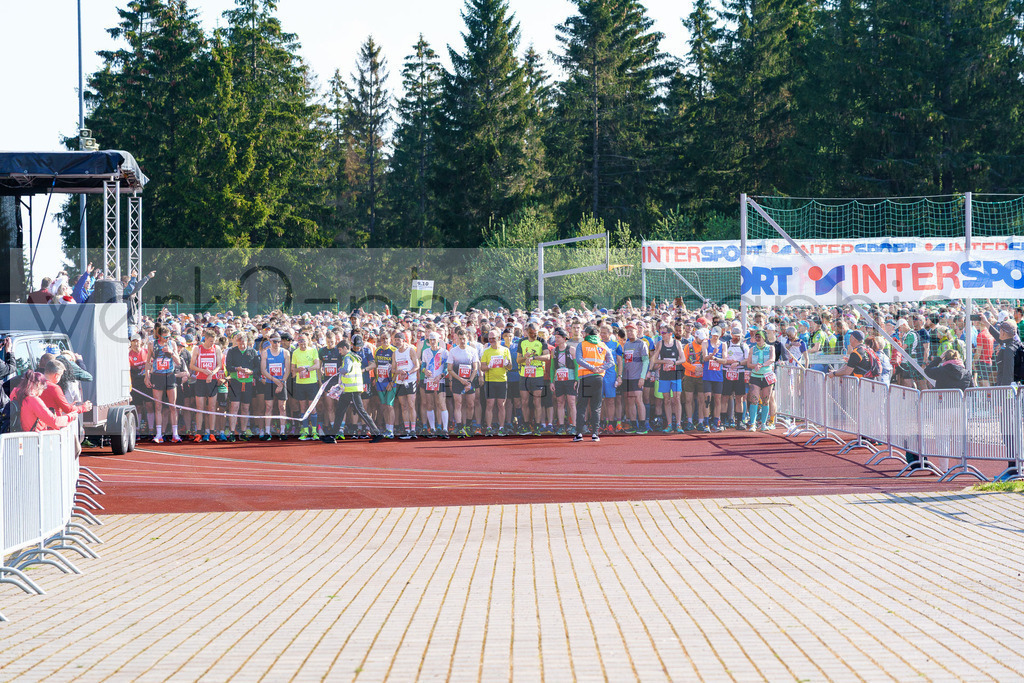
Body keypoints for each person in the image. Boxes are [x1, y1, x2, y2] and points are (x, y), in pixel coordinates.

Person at [333, 339, 385, 443]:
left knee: (361, 412)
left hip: (352, 390)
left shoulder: (348, 357)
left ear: (345, 348)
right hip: (349, 390)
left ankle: (377, 433)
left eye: (340, 350)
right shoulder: (354, 357)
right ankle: (332, 435)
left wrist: (340, 370)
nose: (339, 352)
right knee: (339, 412)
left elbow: (346, 370)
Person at [573, 324, 614, 442]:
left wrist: (591, 368)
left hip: (585, 377)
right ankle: (595, 434)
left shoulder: (582, 344)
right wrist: (600, 368)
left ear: (587, 334)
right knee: (596, 407)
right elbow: (611, 362)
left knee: (581, 406)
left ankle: (579, 434)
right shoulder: (603, 345)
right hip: (598, 378)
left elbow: (579, 359)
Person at [145, 326, 183, 443]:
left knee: (173, 406)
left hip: (169, 376)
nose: (167, 338)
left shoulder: (172, 344)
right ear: (159, 336)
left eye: (168, 336)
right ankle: (159, 434)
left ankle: (175, 434)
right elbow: (148, 362)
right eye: (165, 336)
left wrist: (171, 352)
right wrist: (147, 377)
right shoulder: (152, 344)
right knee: (158, 406)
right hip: (157, 377)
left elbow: (178, 362)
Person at [190, 329, 224, 442]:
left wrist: (212, 374)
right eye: (210, 341)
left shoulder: (216, 348)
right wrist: (202, 370)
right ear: (205, 339)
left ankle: (211, 433)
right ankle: (199, 433)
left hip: (212, 381)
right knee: (200, 407)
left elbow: (219, 365)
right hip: (200, 380)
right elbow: (191, 366)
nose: (212, 343)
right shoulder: (197, 349)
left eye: (213, 341)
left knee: (212, 407)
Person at [225, 331, 259, 441]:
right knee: (234, 407)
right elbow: (228, 366)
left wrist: (251, 371)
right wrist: (237, 369)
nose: (241, 345)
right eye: (239, 343)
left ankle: (243, 431)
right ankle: (232, 431)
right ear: (236, 342)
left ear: (247, 341)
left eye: (243, 342)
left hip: (248, 382)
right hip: (235, 382)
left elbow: (258, 368)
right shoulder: (232, 351)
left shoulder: (252, 351)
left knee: (245, 407)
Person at [447, 327, 480, 438]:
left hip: (470, 381)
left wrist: (469, 381)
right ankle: (460, 428)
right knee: (458, 404)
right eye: (460, 338)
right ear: (457, 339)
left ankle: (468, 426)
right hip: (458, 380)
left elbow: (475, 368)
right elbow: (450, 369)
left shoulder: (473, 350)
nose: (462, 341)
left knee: (470, 404)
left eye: (464, 338)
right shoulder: (453, 351)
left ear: (468, 338)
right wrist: (460, 379)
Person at [619, 322, 650, 434]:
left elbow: (646, 361)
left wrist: (642, 377)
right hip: (627, 377)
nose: (629, 332)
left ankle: (642, 425)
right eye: (627, 331)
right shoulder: (626, 345)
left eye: (631, 330)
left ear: (637, 331)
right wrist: (621, 376)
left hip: (637, 376)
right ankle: (632, 424)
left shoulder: (641, 344)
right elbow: (624, 361)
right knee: (630, 401)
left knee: (638, 400)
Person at [480, 329, 512, 435]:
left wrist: (506, 363)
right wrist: (489, 366)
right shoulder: (486, 351)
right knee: (490, 404)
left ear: (499, 338)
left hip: (502, 380)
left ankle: (501, 427)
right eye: (489, 338)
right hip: (490, 381)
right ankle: (489, 427)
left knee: (501, 404)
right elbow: (482, 367)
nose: (491, 340)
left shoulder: (505, 350)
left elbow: (510, 367)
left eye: (493, 338)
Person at [290, 332, 321, 441]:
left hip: (312, 383)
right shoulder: (295, 353)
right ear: (297, 342)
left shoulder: (313, 350)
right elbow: (292, 369)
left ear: (308, 341)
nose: (302, 343)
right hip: (300, 384)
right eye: (300, 341)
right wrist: (299, 370)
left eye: (304, 340)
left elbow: (317, 365)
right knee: (302, 407)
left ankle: (314, 431)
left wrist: (307, 369)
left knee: (312, 407)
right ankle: (305, 431)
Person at [744, 329, 776, 431]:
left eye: (759, 337)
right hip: (755, 377)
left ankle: (763, 424)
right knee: (754, 400)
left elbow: (772, 359)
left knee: (766, 401)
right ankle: (752, 423)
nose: (757, 338)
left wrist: (762, 365)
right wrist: (755, 366)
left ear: (764, 338)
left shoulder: (770, 348)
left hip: (767, 376)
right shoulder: (753, 349)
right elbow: (748, 364)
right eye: (756, 337)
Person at [549, 327, 578, 435]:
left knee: (571, 402)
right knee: (560, 402)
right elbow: (552, 368)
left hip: (570, 379)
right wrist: (552, 381)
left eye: (558, 337)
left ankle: (574, 425)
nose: (556, 339)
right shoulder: (554, 351)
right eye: (555, 337)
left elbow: (576, 366)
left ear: (564, 338)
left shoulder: (571, 349)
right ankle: (561, 426)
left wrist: (576, 379)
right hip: (559, 379)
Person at [260, 333, 289, 441]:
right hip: (270, 383)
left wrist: (281, 383)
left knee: (282, 407)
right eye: (274, 341)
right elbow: (263, 370)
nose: (276, 344)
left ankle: (282, 431)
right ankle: (267, 432)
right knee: (269, 407)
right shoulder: (265, 353)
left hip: (281, 383)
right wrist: (276, 381)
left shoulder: (285, 353)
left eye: (278, 341)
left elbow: (287, 370)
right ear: (270, 342)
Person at [392, 330, 420, 439]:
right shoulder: (395, 353)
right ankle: (407, 429)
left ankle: (413, 429)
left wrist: (408, 373)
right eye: (395, 340)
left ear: (404, 340)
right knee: (403, 406)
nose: (397, 342)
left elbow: (417, 366)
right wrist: (399, 372)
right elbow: (393, 369)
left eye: (399, 340)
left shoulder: (410, 350)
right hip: (400, 382)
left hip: (410, 381)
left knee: (411, 404)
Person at [420, 332, 449, 437]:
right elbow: (422, 365)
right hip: (429, 381)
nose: (432, 342)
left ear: (438, 340)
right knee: (429, 404)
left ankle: (444, 429)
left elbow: (447, 368)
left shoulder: (444, 352)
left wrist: (441, 376)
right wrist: (424, 371)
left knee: (441, 404)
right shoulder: (425, 352)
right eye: (430, 340)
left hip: (439, 380)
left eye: (434, 339)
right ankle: (432, 428)